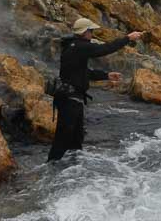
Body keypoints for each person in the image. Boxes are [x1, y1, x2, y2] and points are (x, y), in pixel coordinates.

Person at [47, 17, 144, 161]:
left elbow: (84, 72)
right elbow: (105, 49)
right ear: (85, 32)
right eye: (91, 31)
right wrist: (128, 38)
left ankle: (72, 170)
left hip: (73, 99)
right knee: (63, 139)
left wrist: (106, 75)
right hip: (70, 101)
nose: (92, 34)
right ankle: (52, 168)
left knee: (76, 138)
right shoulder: (80, 46)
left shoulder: (73, 47)